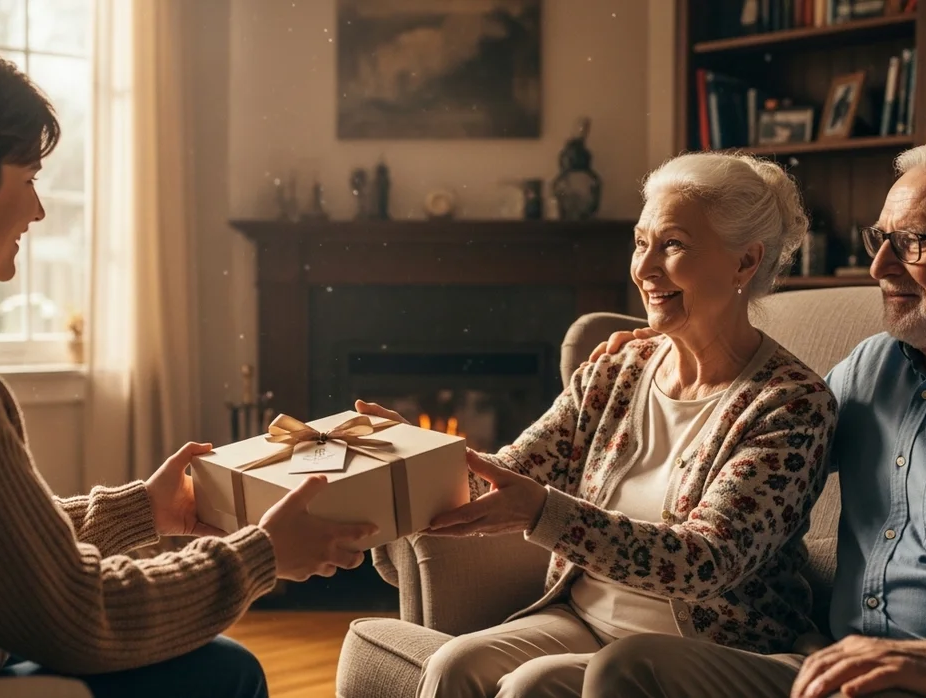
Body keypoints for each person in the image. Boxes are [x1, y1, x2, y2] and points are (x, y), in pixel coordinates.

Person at [0, 33, 375, 698]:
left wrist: (144, 510)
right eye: (26, 181)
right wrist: (260, 555)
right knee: (224, 672)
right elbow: (80, 618)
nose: (38, 209)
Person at [358, 151, 839, 698]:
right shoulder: (618, 369)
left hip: (715, 646)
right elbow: (507, 475)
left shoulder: (790, 406)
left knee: (531, 685)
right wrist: (410, 454)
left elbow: (706, 564)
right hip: (583, 620)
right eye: (640, 243)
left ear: (745, 262)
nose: (645, 269)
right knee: (454, 664)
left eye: (673, 244)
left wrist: (544, 512)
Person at [584, 143, 926, 698]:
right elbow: (758, 441)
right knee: (629, 667)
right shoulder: (872, 367)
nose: (880, 267)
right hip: (825, 672)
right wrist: (669, 353)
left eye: (912, 243)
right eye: (880, 240)